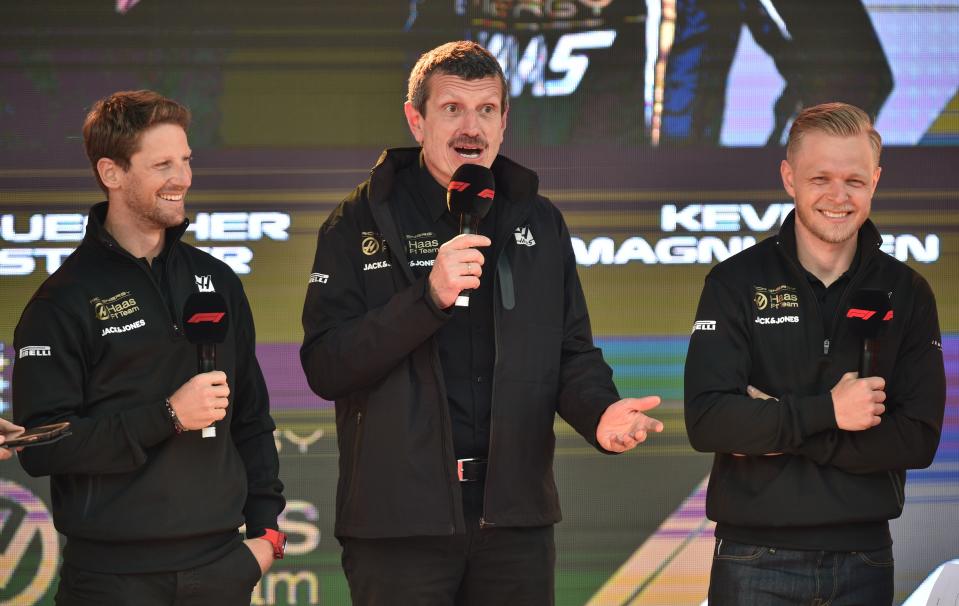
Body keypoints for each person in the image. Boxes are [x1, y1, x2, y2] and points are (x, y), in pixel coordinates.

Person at [301, 40, 663, 605]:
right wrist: (428, 299)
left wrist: (600, 413)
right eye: (452, 109)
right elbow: (326, 364)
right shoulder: (357, 221)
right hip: (399, 524)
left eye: (486, 110)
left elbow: (569, 350)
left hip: (512, 521)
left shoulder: (538, 219)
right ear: (415, 120)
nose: (472, 128)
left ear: (503, 122)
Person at [12, 90, 286, 605]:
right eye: (162, 163)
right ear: (112, 173)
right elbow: (42, 444)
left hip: (221, 568)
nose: (181, 177)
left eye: (185, 160)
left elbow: (251, 416)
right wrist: (166, 416)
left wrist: (267, 534)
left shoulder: (216, 280)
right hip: (111, 580)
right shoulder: (63, 300)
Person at [684, 102, 945, 605]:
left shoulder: (908, 291)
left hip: (865, 560)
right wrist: (831, 412)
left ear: (876, 180)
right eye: (819, 177)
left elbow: (916, 441)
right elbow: (710, 421)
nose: (837, 196)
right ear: (789, 178)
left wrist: (780, 426)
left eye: (854, 180)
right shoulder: (735, 282)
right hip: (752, 557)